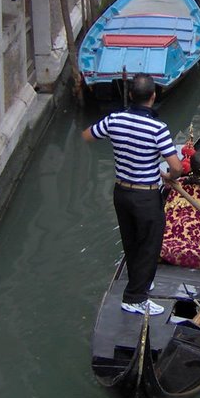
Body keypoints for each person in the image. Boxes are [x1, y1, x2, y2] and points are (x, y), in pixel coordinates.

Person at [82, 73, 183, 316]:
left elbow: (86, 135)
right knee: (149, 245)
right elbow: (177, 167)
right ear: (153, 96)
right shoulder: (157, 128)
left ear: (130, 95)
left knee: (131, 241)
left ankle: (141, 282)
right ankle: (135, 298)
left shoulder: (113, 119)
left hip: (121, 192)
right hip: (145, 197)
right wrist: (169, 177)